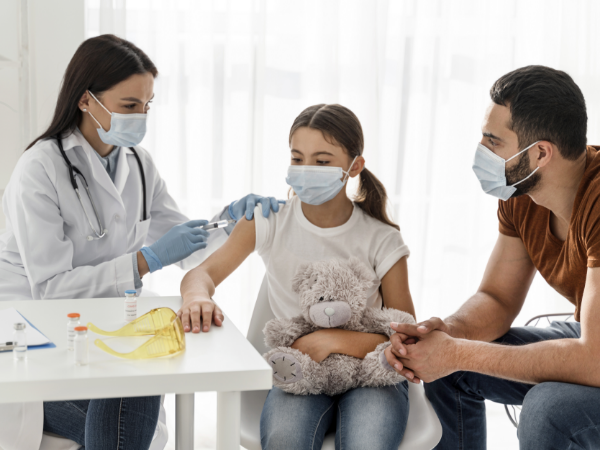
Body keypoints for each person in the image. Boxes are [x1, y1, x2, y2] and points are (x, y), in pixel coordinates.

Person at [0, 35, 281, 450]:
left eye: (147, 106)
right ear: (85, 101)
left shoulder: (138, 164)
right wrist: (145, 261)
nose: (141, 117)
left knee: (138, 388)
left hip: (104, 333)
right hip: (34, 347)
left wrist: (232, 221)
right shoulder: (39, 169)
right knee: (128, 418)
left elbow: (188, 245)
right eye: (130, 106)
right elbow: (52, 289)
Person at [178, 104, 416, 449]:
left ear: (355, 166)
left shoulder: (382, 239)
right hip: (300, 370)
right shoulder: (267, 220)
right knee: (284, 440)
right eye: (297, 158)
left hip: (372, 371)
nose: (307, 170)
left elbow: (407, 335)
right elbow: (201, 273)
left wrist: (333, 340)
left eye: (321, 161)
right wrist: (197, 296)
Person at [388, 66, 600, 449]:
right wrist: (447, 334)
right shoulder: (524, 196)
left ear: (540, 153)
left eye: (492, 140)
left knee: (545, 408)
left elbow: (593, 361)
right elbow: (498, 299)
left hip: (596, 351)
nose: (481, 151)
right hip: (593, 340)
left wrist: (458, 352)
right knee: (449, 372)